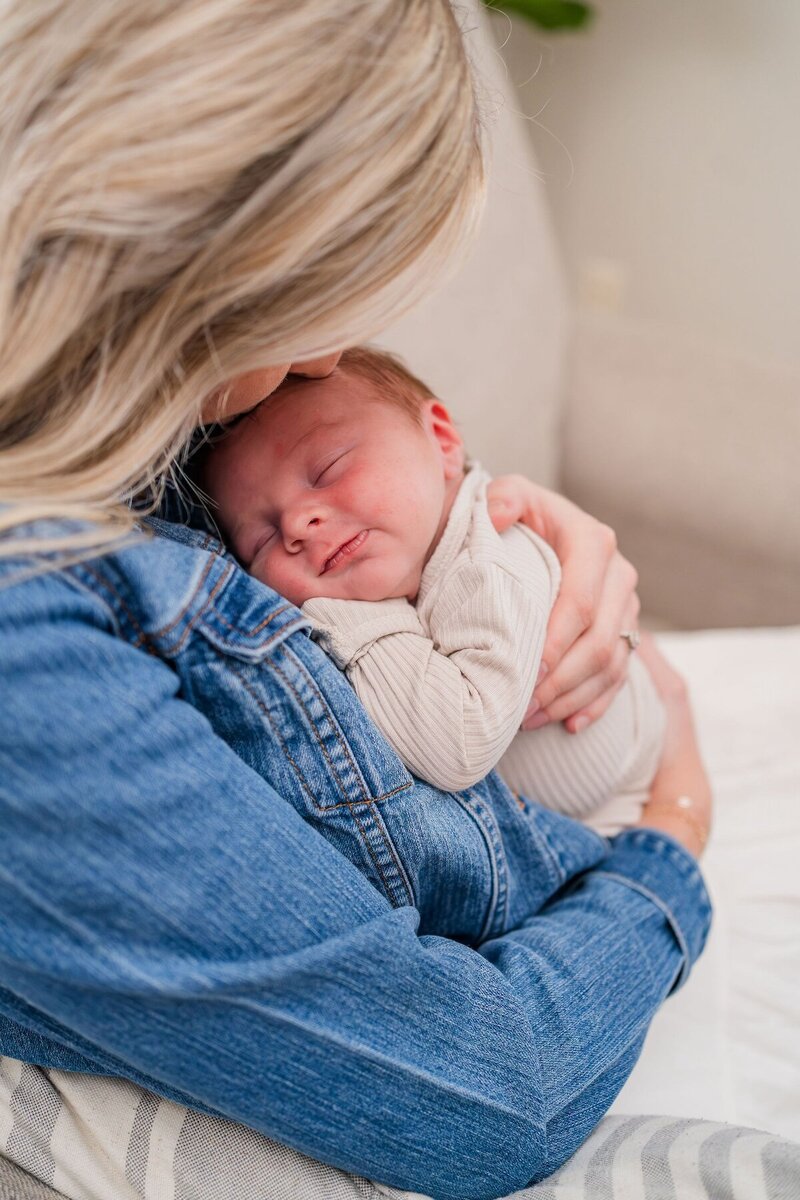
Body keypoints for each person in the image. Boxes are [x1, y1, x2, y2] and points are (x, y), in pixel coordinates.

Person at [0, 3, 712, 1199]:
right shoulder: (36, 646)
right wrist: (676, 825)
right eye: (314, 306)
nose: (323, 360)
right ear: (196, 259)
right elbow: (494, 1090)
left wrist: (489, 527)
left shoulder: (123, 443)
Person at [201, 345, 667, 836]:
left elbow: (460, 744)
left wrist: (348, 616)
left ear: (443, 441)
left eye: (328, 470)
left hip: (625, 805)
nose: (297, 523)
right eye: (262, 538)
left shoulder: (488, 559)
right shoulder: (415, 545)